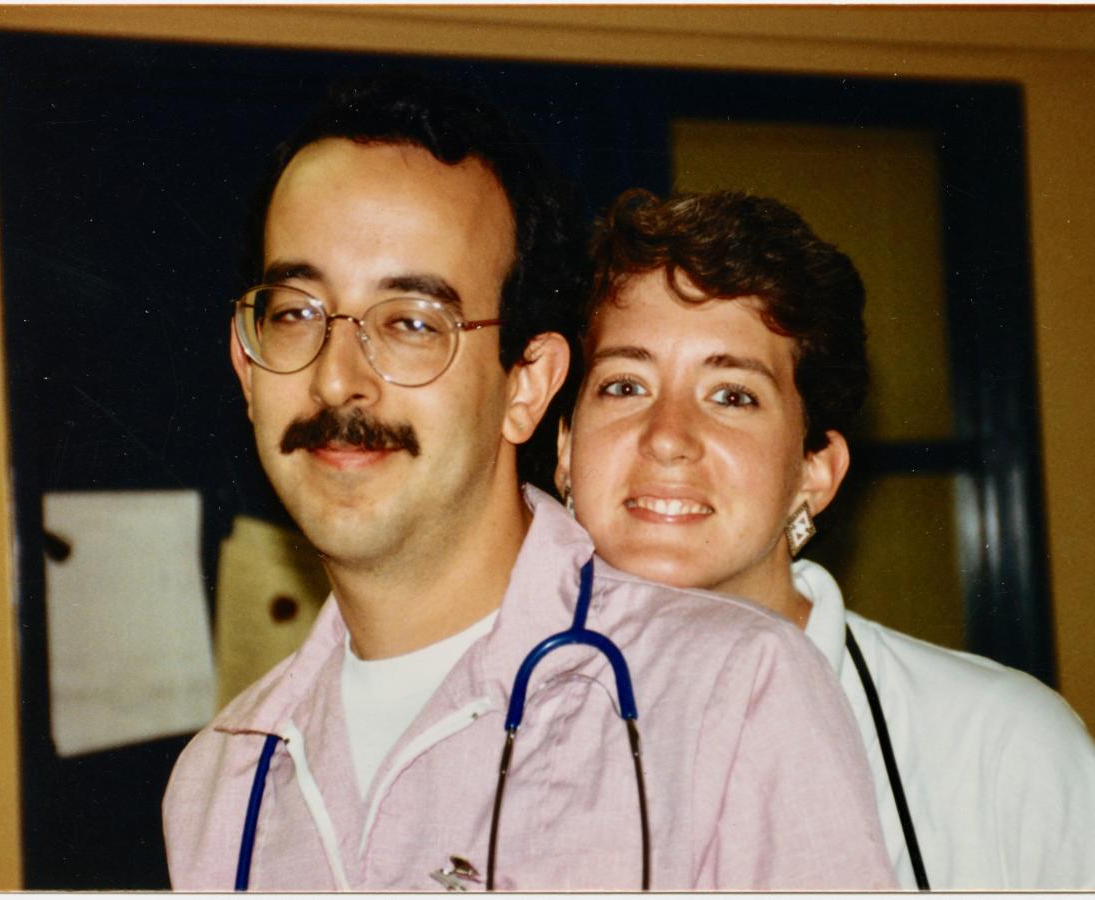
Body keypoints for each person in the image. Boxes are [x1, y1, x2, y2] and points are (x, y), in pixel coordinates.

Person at [162, 75, 897, 890]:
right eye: (295, 313)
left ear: (526, 386)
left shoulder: (730, 696)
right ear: (245, 364)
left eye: (411, 323)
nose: (338, 383)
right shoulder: (223, 785)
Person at [553, 187, 1095, 890]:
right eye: (624, 386)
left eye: (733, 395)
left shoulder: (997, 744)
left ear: (815, 472)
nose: (667, 437)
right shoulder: (472, 717)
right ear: (564, 449)